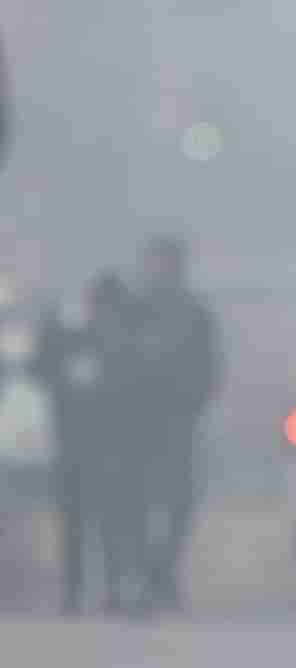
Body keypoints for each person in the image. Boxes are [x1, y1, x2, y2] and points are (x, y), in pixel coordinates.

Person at [32, 270, 142, 615]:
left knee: (98, 522)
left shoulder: (120, 344)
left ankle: (94, 590)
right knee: (88, 522)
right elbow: (43, 366)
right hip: (88, 443)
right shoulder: (76, 337)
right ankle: (83, 590)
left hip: (100, 443)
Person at [132, 235, 222, 614]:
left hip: (180, 419)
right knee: (136, 500)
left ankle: (164, 568)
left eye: (166, 263)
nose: (159, 270)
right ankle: (147, 572)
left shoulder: (195, 313)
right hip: (137, 419)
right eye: (154, 262)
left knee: (180, 501)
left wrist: (195, 400)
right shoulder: (134, 310)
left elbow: (210, 364)